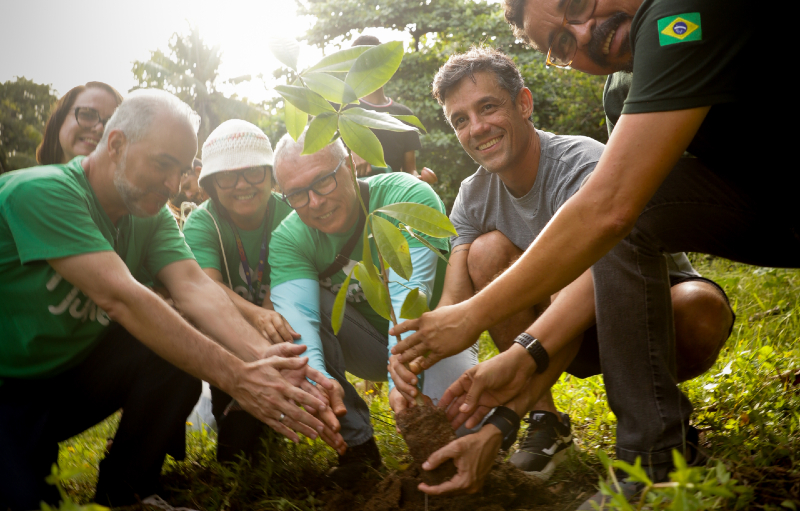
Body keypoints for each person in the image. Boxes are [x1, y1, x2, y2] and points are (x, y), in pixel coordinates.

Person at [390, 0, 798, 506]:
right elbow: (454, 306)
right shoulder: (622, 93)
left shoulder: (680, 13)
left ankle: (650, 448)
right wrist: (417, 363)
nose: (583, 33)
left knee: (623, 217)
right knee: (511, 247)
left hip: (636, 307)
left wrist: (500, 354)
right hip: (622, 306)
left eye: (578, 4)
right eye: (560, 43)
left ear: (523, 103)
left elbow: (608, 215)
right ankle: (624, 447)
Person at [0, 89, 342, 510]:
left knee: (178, 335)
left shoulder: (150, 216)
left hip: (65, 383)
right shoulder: (42, 191)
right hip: (9, 390)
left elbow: (196, 289)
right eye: (162, 164)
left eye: (180, 171)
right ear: (117, 144)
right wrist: (239, 378)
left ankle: (129, 492)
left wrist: (290, 373)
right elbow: (122, 299)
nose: (172, 185)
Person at [268, 131, 476, 483]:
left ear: (349, 164)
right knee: (289, 317)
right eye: (297, 195)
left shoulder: (406, 195)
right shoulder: (289, 237)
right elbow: (300, 322)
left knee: (461, 436)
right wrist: (319, 384)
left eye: (323, 181)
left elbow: (410, 295)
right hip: (364, 346)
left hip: (435, 337)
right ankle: (357, 450)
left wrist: (401, 371)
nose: (315, 202)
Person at [182, 119, 342, 462]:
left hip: (284, 322)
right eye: (227, 176)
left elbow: (299, 273)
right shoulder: (203, 223)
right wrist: (258, 314)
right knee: (237, 453)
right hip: (226, 337)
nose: (242, 184)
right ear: (210, 184)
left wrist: (272, 314)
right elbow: (207, 287)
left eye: (254, 172)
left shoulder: (292, 211)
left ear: (272, 177)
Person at [348, 35, 436, 185]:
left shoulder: (404, 115)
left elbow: (410, 170)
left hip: (392, 196)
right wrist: (349, 153)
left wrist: (419, 181)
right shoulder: (343, 110)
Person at [36, 81, 123, 165]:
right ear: (60, 119)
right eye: (87, 115)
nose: (100, 128)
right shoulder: (30, 179)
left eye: (111, 122)